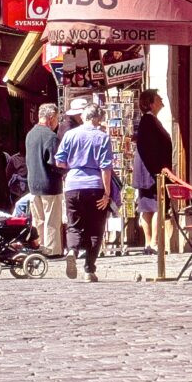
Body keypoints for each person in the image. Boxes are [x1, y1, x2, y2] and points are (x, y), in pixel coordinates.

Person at [55, 102, 114, 283]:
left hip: (73, 185)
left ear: (83, 117)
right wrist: (107, 193)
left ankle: (72, 250)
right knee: (95, 229)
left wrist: (74, 165)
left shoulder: (70, 135)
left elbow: (59, 161)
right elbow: (105, 168)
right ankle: (89, 269)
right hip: (95, 185)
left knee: (74, 224)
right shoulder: (102, 137)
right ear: (98, 118)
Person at [133, 89, 173, 255]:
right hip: (152, 174)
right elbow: (150, 150)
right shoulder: (148, 121)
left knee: (149, 208)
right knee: (156, 207)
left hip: (148, 173)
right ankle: (153, 242)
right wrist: (159, 170)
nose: (162, 99)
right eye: (158, 98)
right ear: (151, 103)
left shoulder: (151, 121)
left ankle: (150, 243)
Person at [25, 103, 63, 256]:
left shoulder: (30, 134)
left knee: (38, 220)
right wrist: (65, 170)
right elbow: (55, 162)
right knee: (52, 220)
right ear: (51, 118)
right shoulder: (51, 136)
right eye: (57, 119)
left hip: (33, 183)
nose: (57, 122)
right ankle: (52, 250)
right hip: (49, 183)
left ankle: (39, 247)